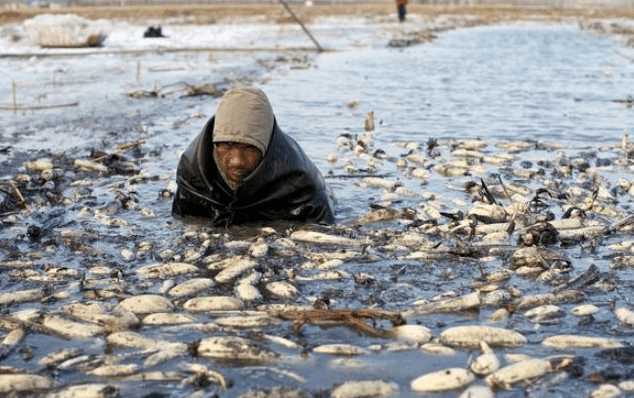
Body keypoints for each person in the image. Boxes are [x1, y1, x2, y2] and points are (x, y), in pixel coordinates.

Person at [172, 87, 335, 226]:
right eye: (227, 145)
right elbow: (183, 220)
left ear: (266, 145)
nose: (237, 161)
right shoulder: (193, 169)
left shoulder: (301, 183)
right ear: (214, 144)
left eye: (250, 147)